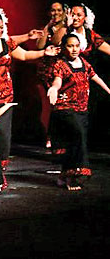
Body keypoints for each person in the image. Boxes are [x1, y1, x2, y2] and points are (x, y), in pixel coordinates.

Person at [0, 9, 60, 170]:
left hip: (5, 95)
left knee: (2, 134)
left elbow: (24, 55)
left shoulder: (6, 43)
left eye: (1, 27)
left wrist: (44, 52)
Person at [47, 34, 110, 190]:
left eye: (76, 45)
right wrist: (54, 88)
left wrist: (108, 89)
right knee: (78, 136)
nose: (74, 49)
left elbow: (94, 76)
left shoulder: (83, 62)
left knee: (74, 142)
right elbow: (57, 80)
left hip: (81, 110)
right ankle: (74, 176)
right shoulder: (60, 65)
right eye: (70, 46)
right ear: (64, 47)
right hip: (65, 109)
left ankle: (64, 174)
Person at [35, 2, 68, 149]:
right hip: (46, 72)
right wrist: (47, 27)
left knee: (63, 105)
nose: (55, 13)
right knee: (48, 106)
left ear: (64, 12)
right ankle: (49, 135)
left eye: (59, 10)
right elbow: (39, 46)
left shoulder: (68, 28)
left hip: (63, 71)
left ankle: (62, 135)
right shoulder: (48, 28)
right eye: (53, 10)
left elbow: (55, 41)